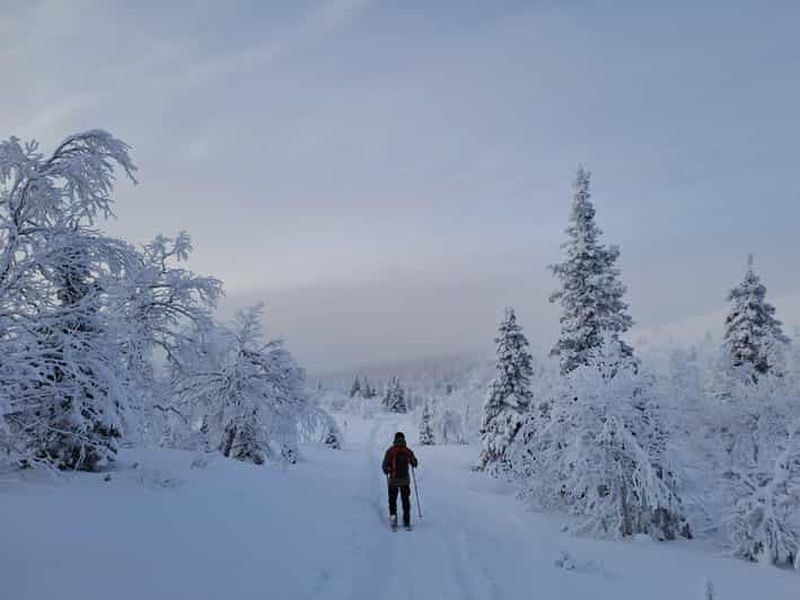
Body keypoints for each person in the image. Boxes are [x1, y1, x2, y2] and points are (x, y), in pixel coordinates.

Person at [381, 431, 418, 528]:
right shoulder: (407, 451)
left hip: (393, 480)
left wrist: (387, 470)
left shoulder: (390, 451)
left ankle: (393, 519)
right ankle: (406, 520)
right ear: (404, 439)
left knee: (392, 501)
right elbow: (415, 463)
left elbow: (384, 466)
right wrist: (412, 463)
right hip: (405, 480)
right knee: (405, 500)